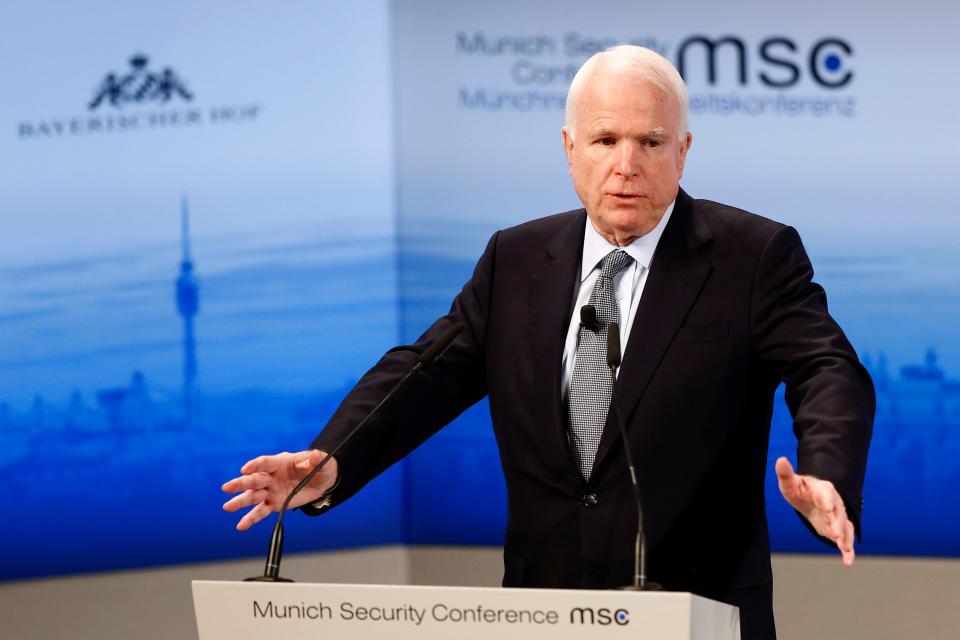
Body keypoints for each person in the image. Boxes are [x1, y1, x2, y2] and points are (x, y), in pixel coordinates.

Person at [222, 45, 873, 640]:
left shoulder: (750, 257)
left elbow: (827, 366)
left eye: (650, 141)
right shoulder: (517, 259)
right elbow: (426, 373)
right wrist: (333, 460)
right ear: (569, 148)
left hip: (699, 609)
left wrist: (826, 470)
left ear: (683, 150)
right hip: (544, 612)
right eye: (605, 139)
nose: (626, 166)